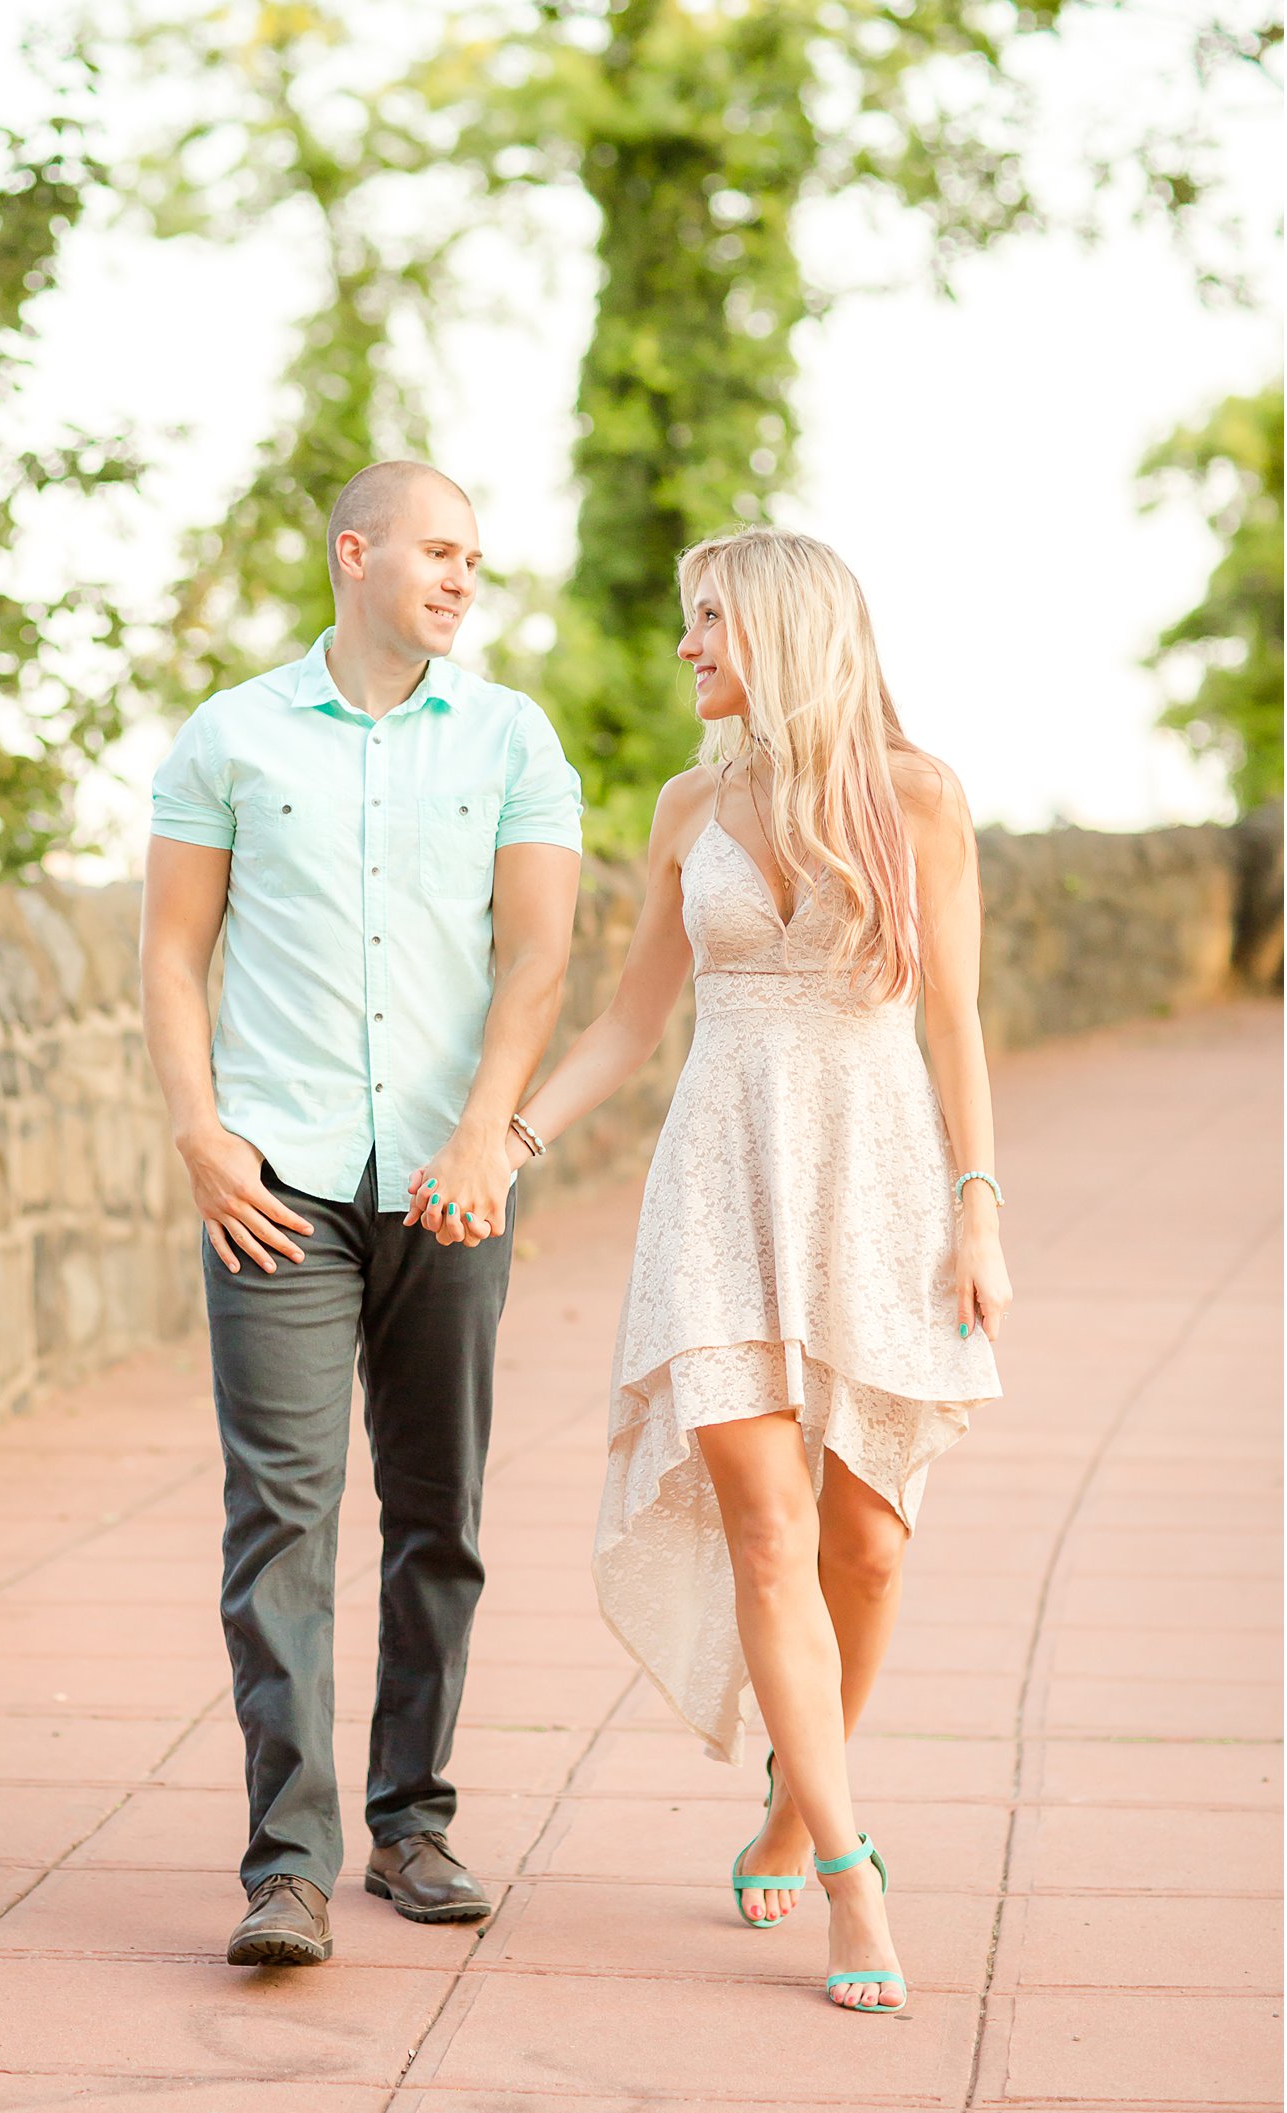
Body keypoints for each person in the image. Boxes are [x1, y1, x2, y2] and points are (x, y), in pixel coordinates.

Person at [432, 524, 1009, 2013]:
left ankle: (786, 1801)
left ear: (786, 630)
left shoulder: (922, 798)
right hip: (718, 1192)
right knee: (768, 1531)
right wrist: (505, 1138)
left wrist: (979, 1204)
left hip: (876, 1187)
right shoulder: (689, 805)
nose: (688, 645)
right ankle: (849, 1871)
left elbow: (954, 1018)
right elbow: (628, 1026)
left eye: (710, 621)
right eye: (688, 618)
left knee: (868, 1543)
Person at [140, 460, 583, 1968]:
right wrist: (200, 1134)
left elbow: (538, 958)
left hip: (452, 1189)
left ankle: (414, 1820)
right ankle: (288, 1860)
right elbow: (170, 955)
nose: (464, 577)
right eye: (440, 551)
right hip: (277, 1186)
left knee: (436, 1512)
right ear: (356, 551)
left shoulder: (515, 736)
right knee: (278, 1512)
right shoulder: (232, 735)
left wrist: (483, 1134)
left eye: (476, 558)